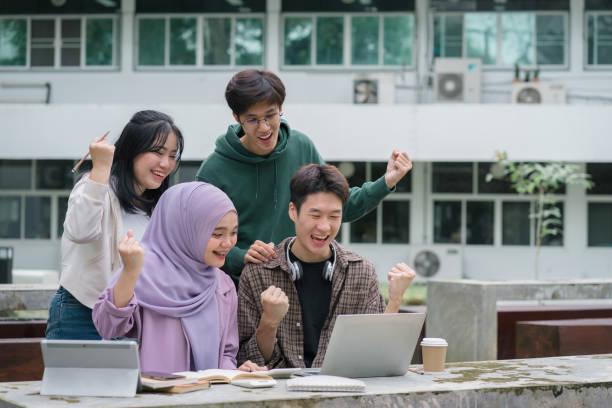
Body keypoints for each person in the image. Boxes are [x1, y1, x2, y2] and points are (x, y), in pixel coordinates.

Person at [195, 69, 412, 284]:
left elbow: (338, 206)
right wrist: (239, 256)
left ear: (281, 108)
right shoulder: (214, 170)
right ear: (237, 117)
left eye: (270, 115)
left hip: (299, 282)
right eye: (252, 119)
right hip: (238, 287)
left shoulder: (302, 147)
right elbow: (198, 238)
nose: (264, 128)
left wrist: (387, 181)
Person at [237, 164, 416, 369]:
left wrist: (395, 300)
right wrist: (269, 321)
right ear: (293, 211)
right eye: (315, 215)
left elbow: (378, 356)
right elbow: (248, 360)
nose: (324, 227)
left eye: (334, 216)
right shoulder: (258, 272)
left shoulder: (361, 271)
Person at [93, 182, 263, 373]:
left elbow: (226, 354)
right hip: (151, 399)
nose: (228, 243)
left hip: (204, 399)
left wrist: (234, 374)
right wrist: (130, 272)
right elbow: (109, 329)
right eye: (217, 234)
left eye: (233, 233)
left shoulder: (223, 286)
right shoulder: (140, 271)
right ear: (185, 228)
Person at [46, 110, 184, 340]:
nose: (166, 163)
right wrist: (100, 168)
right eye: (158, 152)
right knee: (74, 378)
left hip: (133, 319)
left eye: (172, 155)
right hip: (81, 313)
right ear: (132, 149)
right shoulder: (96, 187)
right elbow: (80, 231)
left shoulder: (157, 205)